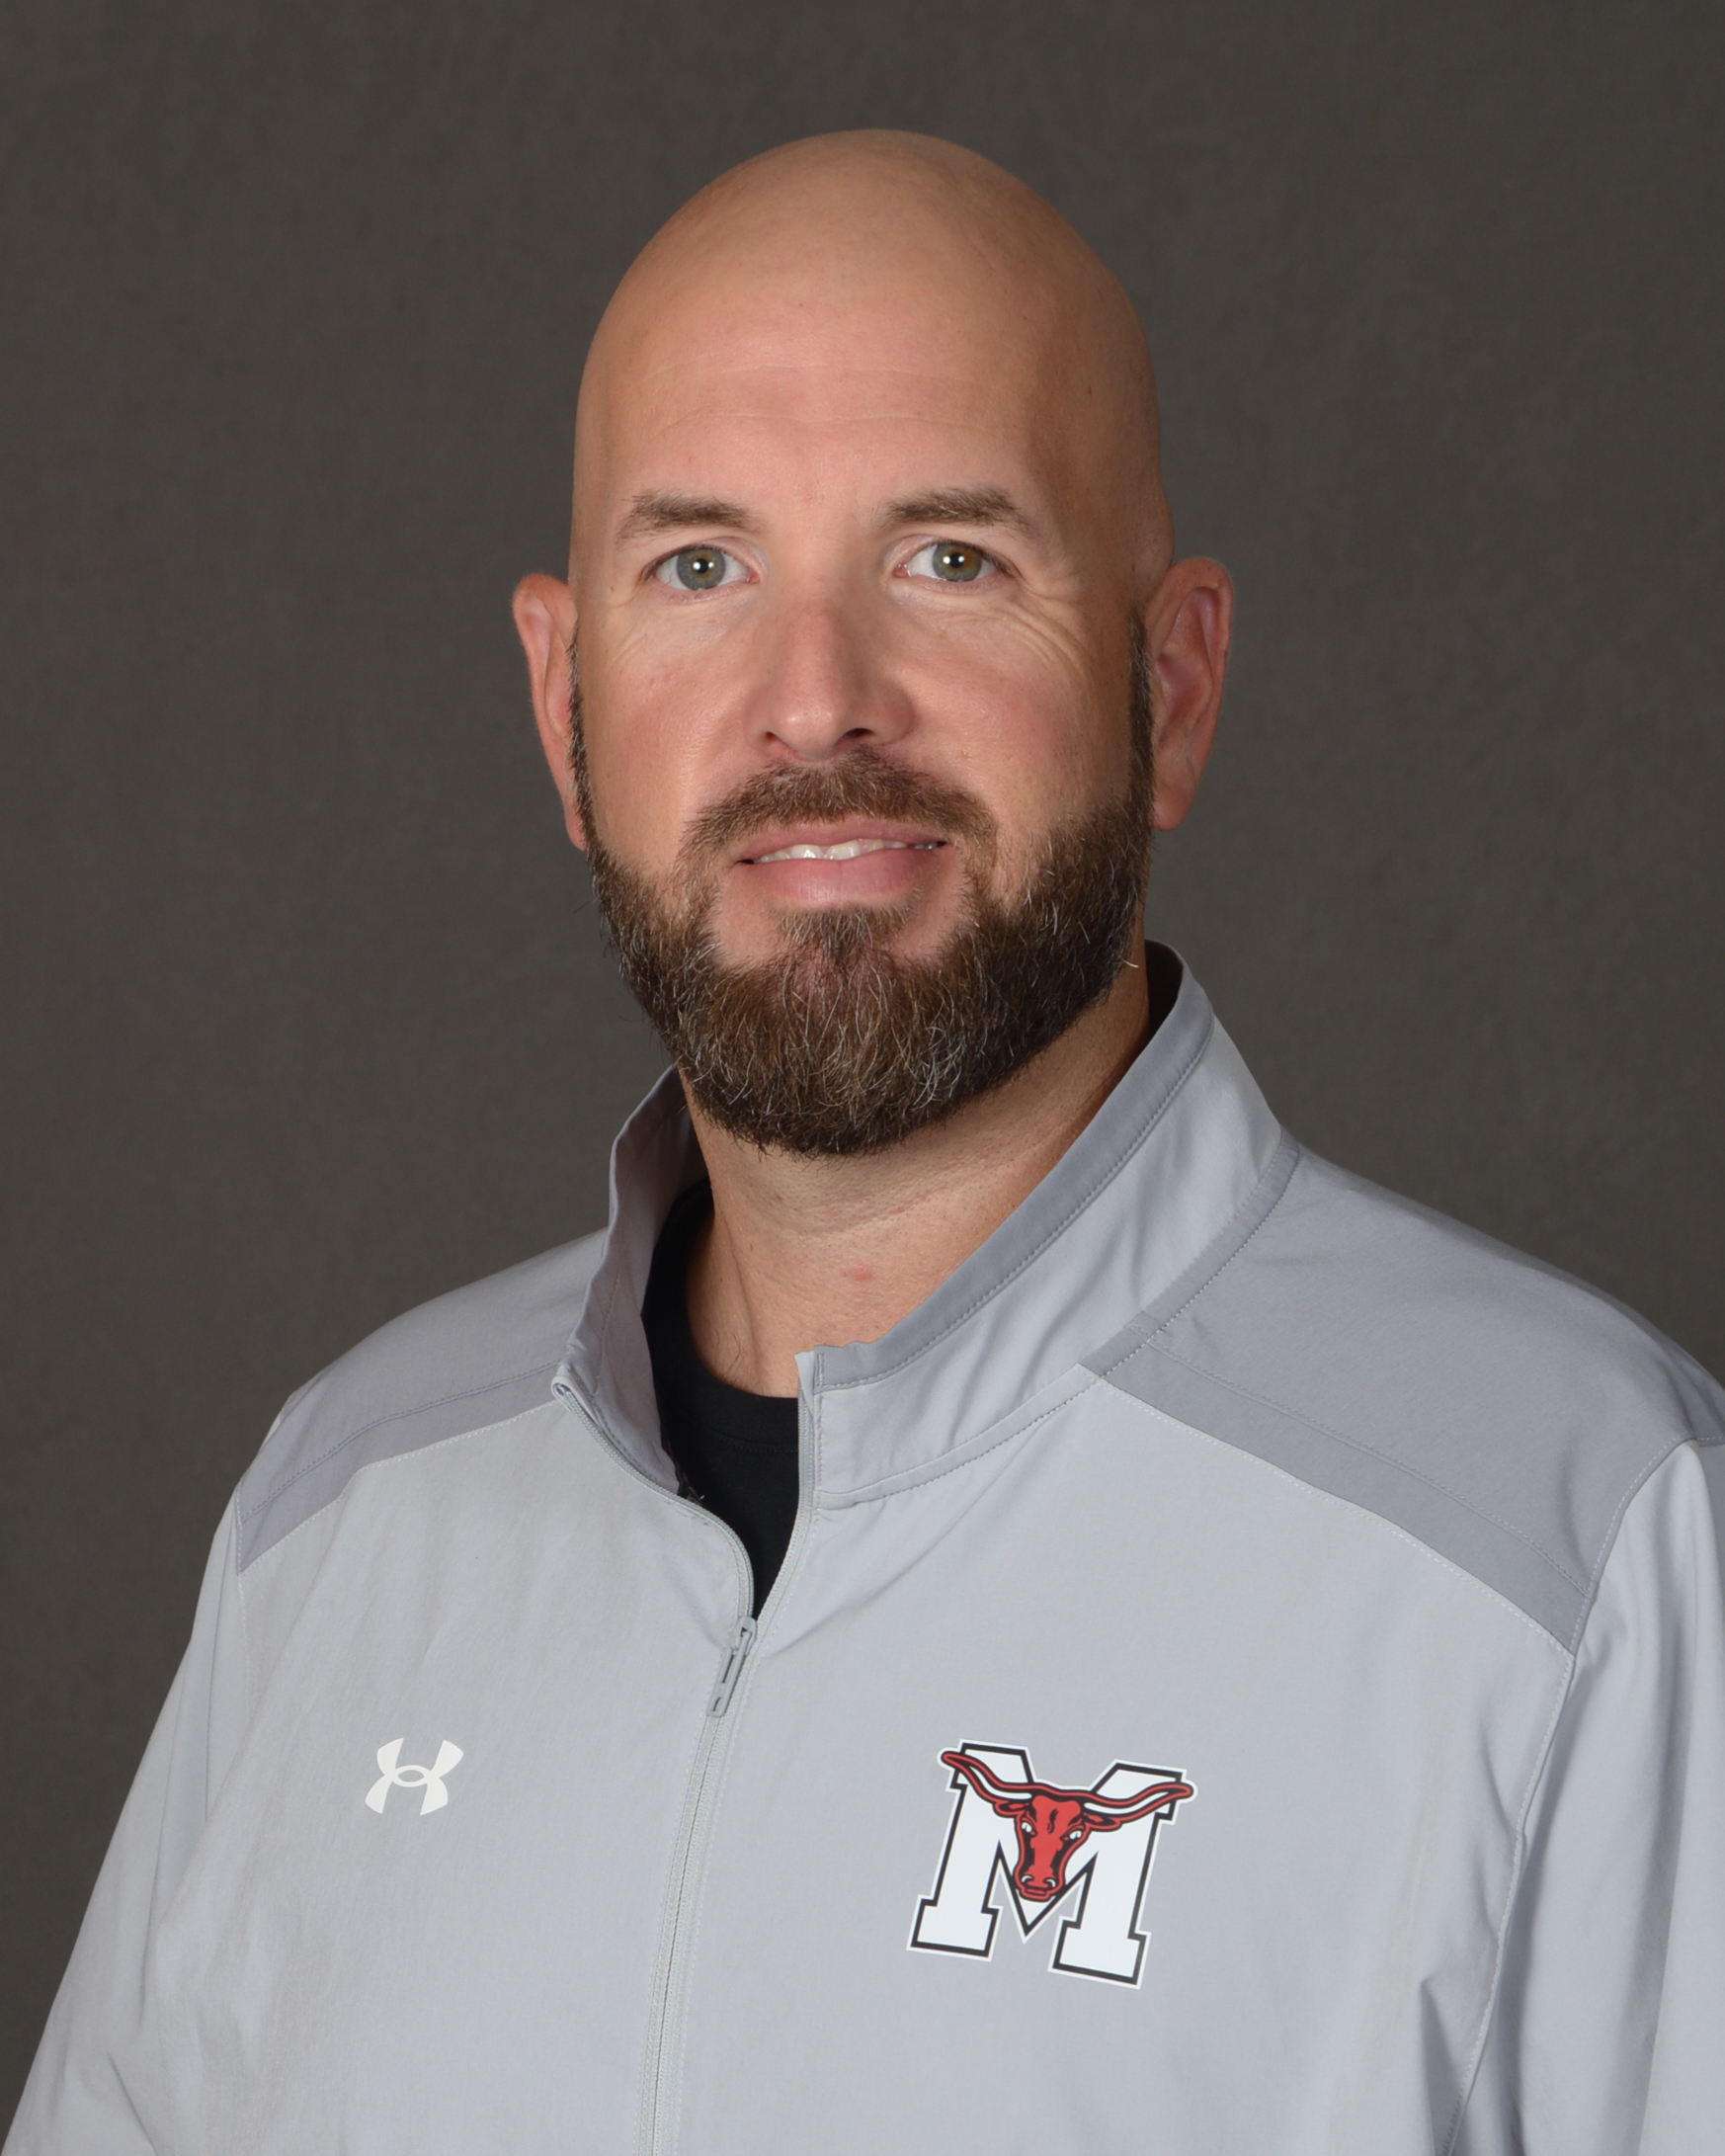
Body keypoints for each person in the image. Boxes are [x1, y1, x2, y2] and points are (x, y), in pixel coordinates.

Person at [9, 130, 1722, 2156]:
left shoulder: (1575, 1543)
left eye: (951, 559)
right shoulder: (338, 1518)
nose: (816, 704)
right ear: (566, 702)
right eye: (700, 566)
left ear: (1173, 685)